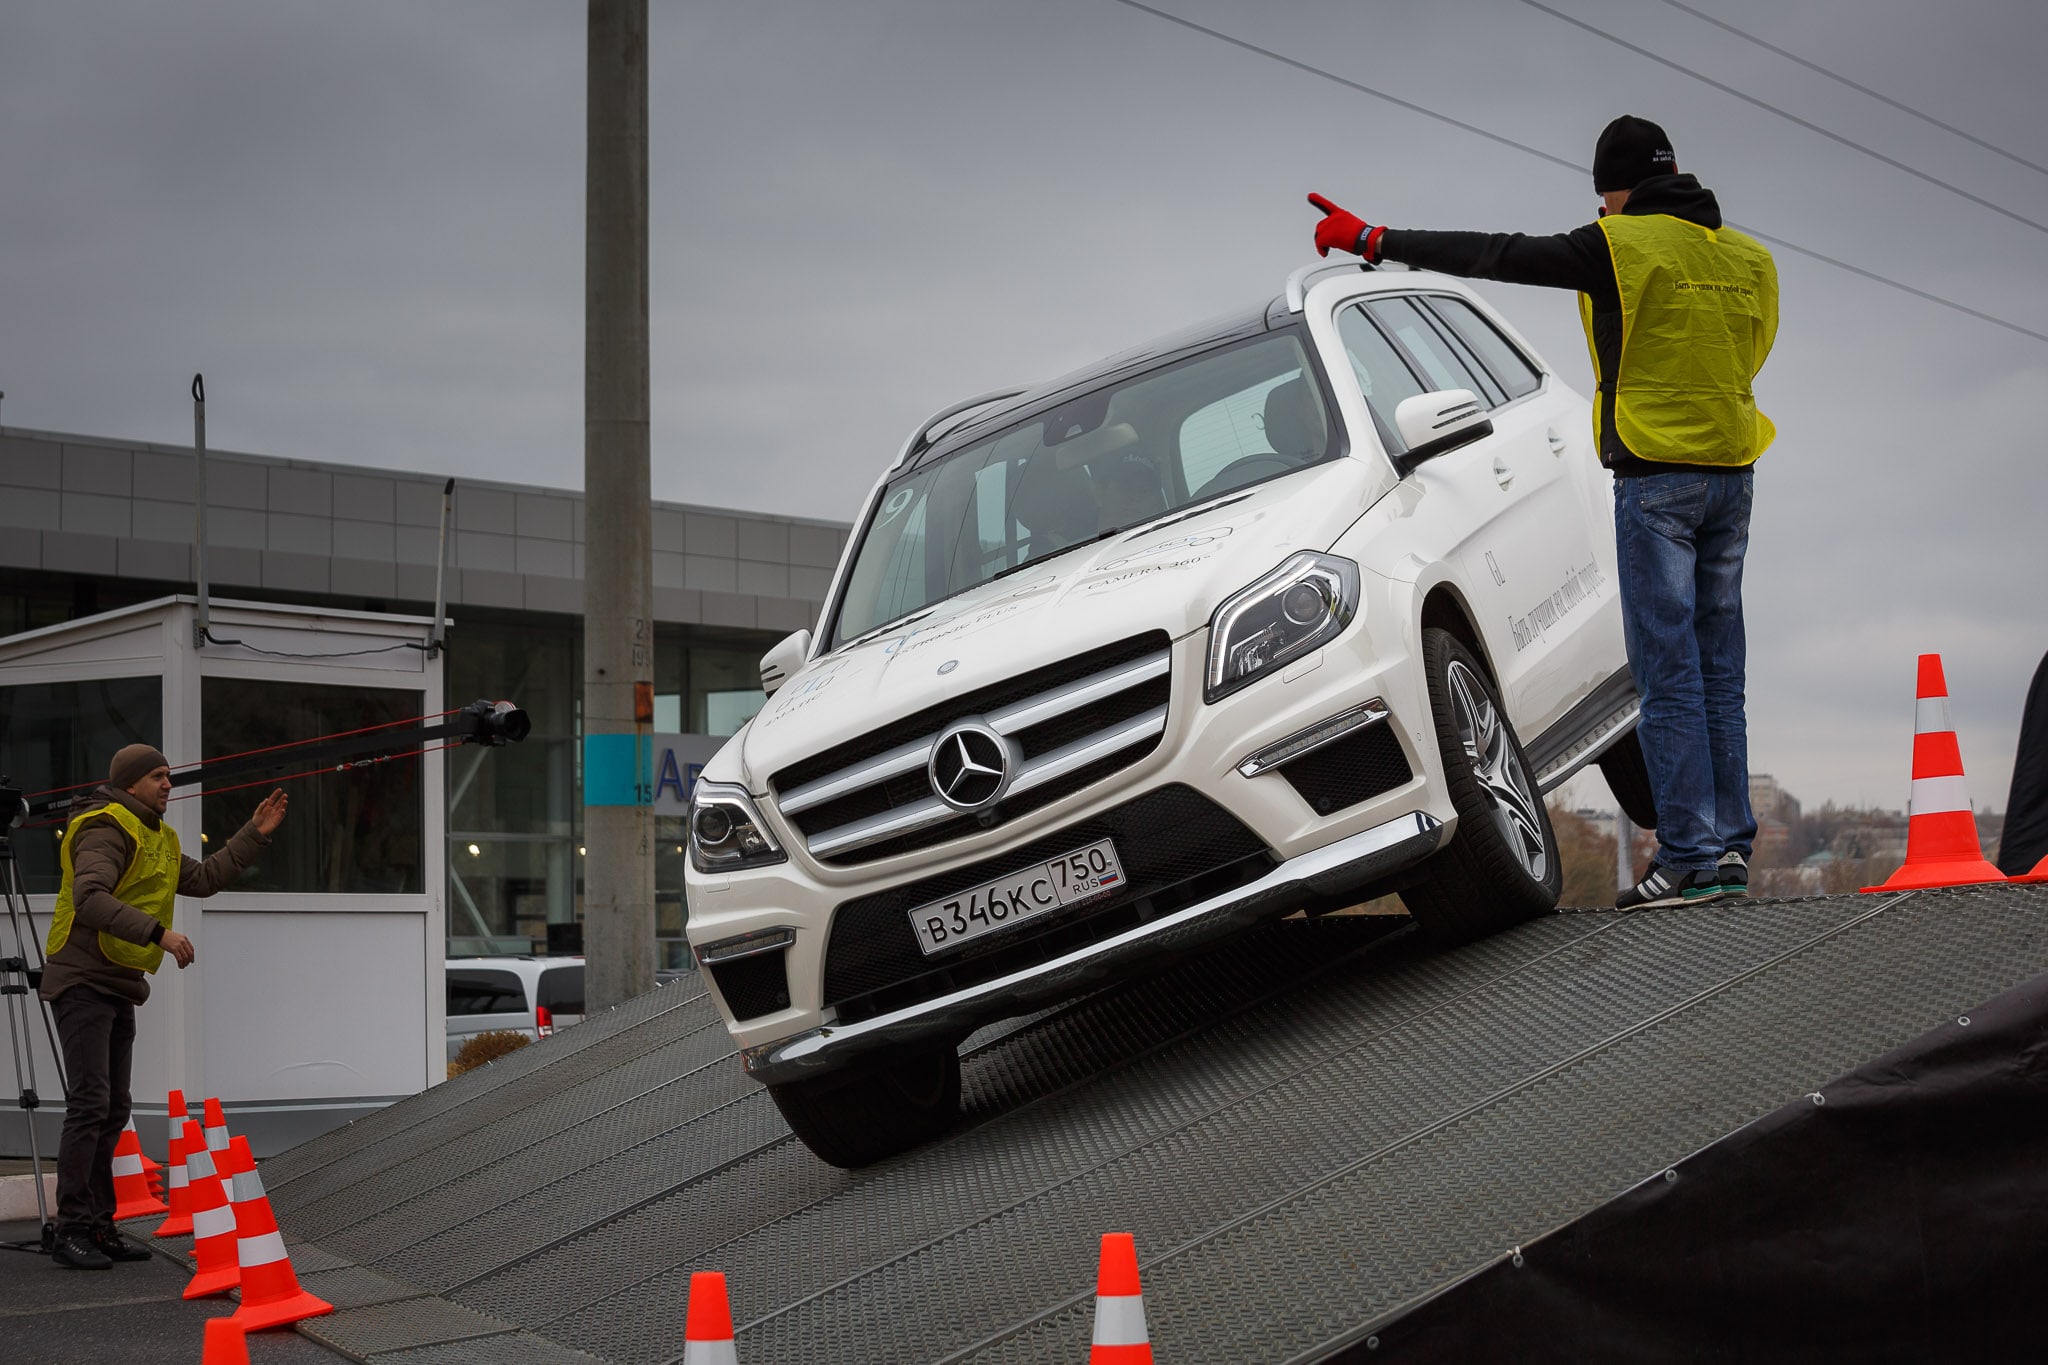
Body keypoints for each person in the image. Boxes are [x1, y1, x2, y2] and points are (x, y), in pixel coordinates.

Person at [1306, 115, 1778, 911]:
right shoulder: (1746, 256)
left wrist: (1375, 238)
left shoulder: (1620, 246)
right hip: (1731, 475)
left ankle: (1691, 855)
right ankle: (1728, 845)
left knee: (1667, 671)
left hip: (1657, 479)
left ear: (1614, 191)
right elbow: (1753, 346)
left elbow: (1498, 253)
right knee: (1719, 667)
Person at [38, 744, 288, 1269]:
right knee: (90, 1106)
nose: (168, 784)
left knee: (112, 1110)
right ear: (130, 784)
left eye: (169, 776)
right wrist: (160, 934)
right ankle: (71, 1229)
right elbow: (89, 897)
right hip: (82, 978)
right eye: (157, 776)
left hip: (116, 981)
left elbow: (203, 879)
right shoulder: (103, 827)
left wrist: (255, 834)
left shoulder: (160, 837)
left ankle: (99, 1226)